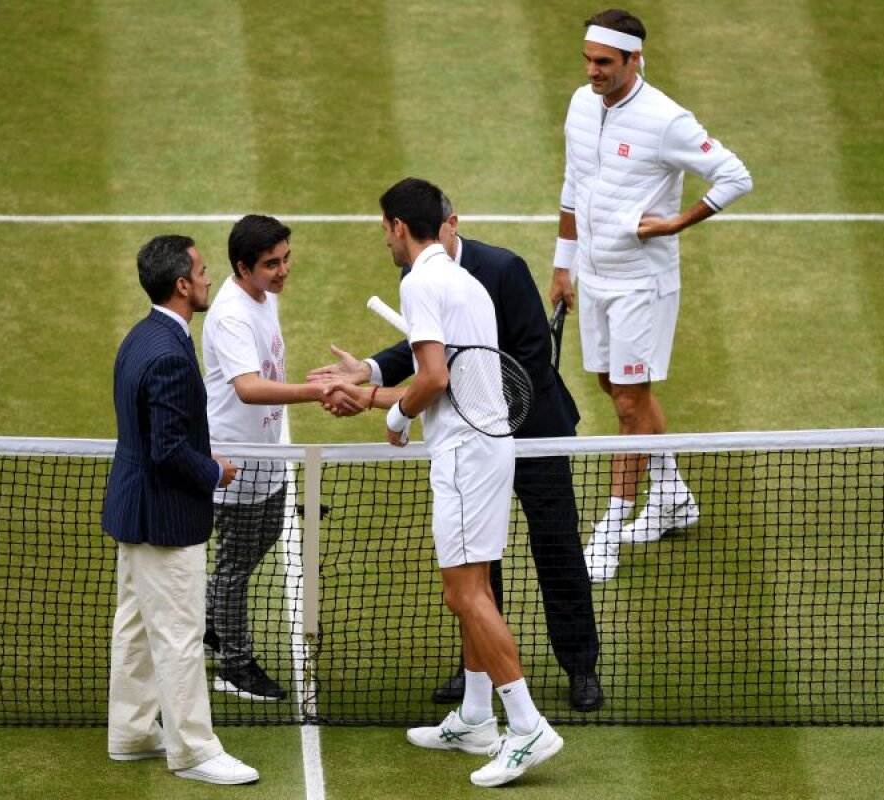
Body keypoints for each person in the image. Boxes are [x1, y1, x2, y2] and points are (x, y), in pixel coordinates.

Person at [309, 193, 602, 712]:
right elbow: (427, 349)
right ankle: (481, 678)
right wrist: (372, 371)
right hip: (478, 428)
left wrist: (452, 399)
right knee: (478, 561)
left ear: (450, 225)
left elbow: (533, 357)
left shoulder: (501, 269)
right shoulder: (423, 278)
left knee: (555, 544)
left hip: (532, 429)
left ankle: (580, 666)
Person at [337, 178, 564, 788]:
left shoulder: (419, 284)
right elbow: (448, 376)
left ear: (397, 227)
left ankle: (526, 725)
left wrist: (391, 412)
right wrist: (380, 398)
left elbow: (433, 378)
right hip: (490, 446)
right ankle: (473, 717)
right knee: (473, 586)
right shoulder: (466, 283)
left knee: (465, 593)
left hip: (464, 455)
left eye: (384, 229)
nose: (384, 238)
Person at [550, 9, 753, 581]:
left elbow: (735, 175)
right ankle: (671, 495)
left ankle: (609, 533)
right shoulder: (580, 103)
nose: (592, 71)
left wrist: (676, 222)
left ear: (635, 60)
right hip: (593, 276)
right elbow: (574, 184)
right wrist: (563, 265)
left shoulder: (667, 120)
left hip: (642, 283)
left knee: (627, 407)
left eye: (604, 63)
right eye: (587, 60)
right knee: (613, 387)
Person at [101, 234, 259, 785]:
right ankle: (193, 749)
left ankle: (133, 732)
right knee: (178, 634)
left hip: (134, 510)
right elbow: (168, 450)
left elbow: (153, 437)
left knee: (137, 626)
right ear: (181, 285)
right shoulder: (170, 353)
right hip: (165, 518)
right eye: (203, 270)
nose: (210, 277)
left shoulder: (143, 336)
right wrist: (214, 470)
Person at [201, 214, 359, 702]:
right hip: (236, 462)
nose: (284, 270)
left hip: (266, 456)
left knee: (261, 538)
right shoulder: (229, 316)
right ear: (242, 267)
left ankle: (209, 622)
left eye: (287, 258)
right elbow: (248, 388)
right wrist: (318, 392)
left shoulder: (263, 297)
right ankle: (234, 662)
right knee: (234, 567)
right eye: (272, 264)